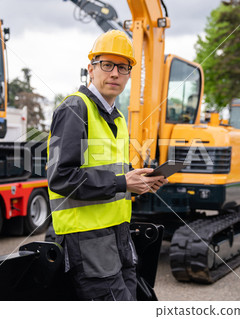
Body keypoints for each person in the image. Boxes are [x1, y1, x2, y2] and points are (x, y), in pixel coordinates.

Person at [47, 30, 167, 301]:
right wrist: (123, 182)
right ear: (91, 69)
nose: (114, 73)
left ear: (129, 74)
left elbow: (114, 175)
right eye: (107, 65)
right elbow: (61, 178)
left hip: (118, 235)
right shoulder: (74, 109)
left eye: (122, 67)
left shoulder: (119, 119)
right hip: (87, 241)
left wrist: (141, 183)